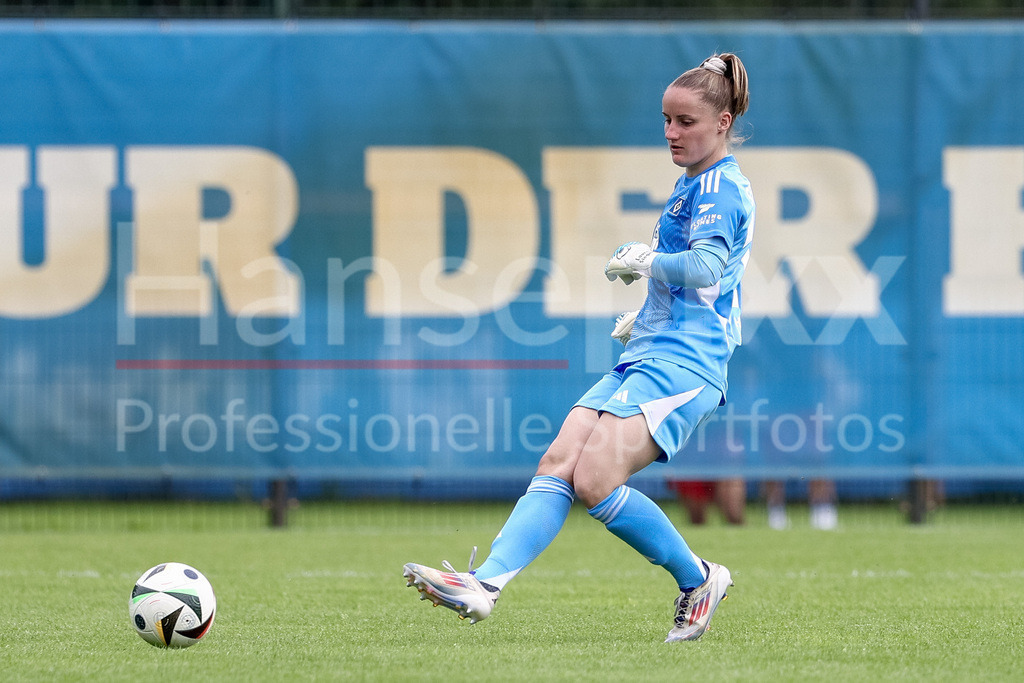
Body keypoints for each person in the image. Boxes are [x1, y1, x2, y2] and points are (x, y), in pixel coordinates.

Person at [404, 52, 754, 643]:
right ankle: (483, 584)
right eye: (666, 119)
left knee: (593, 478)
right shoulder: (692, 182)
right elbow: (698, 283)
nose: (671, 132)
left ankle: (697, 580)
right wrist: (643, 316)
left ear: (722, 123)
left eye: (686, 122)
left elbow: (708, 266)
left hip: (687, 364)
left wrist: (647, 261)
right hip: (653, 351)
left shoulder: (721, 186)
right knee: (559, 463)